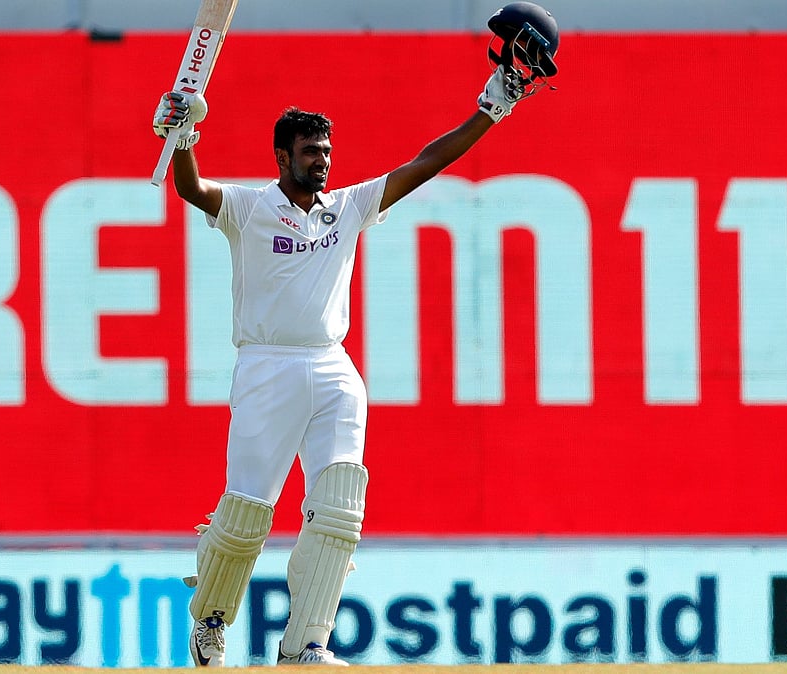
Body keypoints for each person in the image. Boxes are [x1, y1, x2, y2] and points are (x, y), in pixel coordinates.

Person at [152, 58, 540, 667]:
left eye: (327, 151)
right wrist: (183, 139)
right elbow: (191, 190)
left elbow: (426, 163)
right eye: (311, 152)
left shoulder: (347, 207)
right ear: (282, 157)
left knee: (338, 506)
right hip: (267, 366)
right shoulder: (249, 208)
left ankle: (305, 644)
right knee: (248, 510)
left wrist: (490, 109)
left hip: (332, 366)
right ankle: (211, 619)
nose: (323, 161)